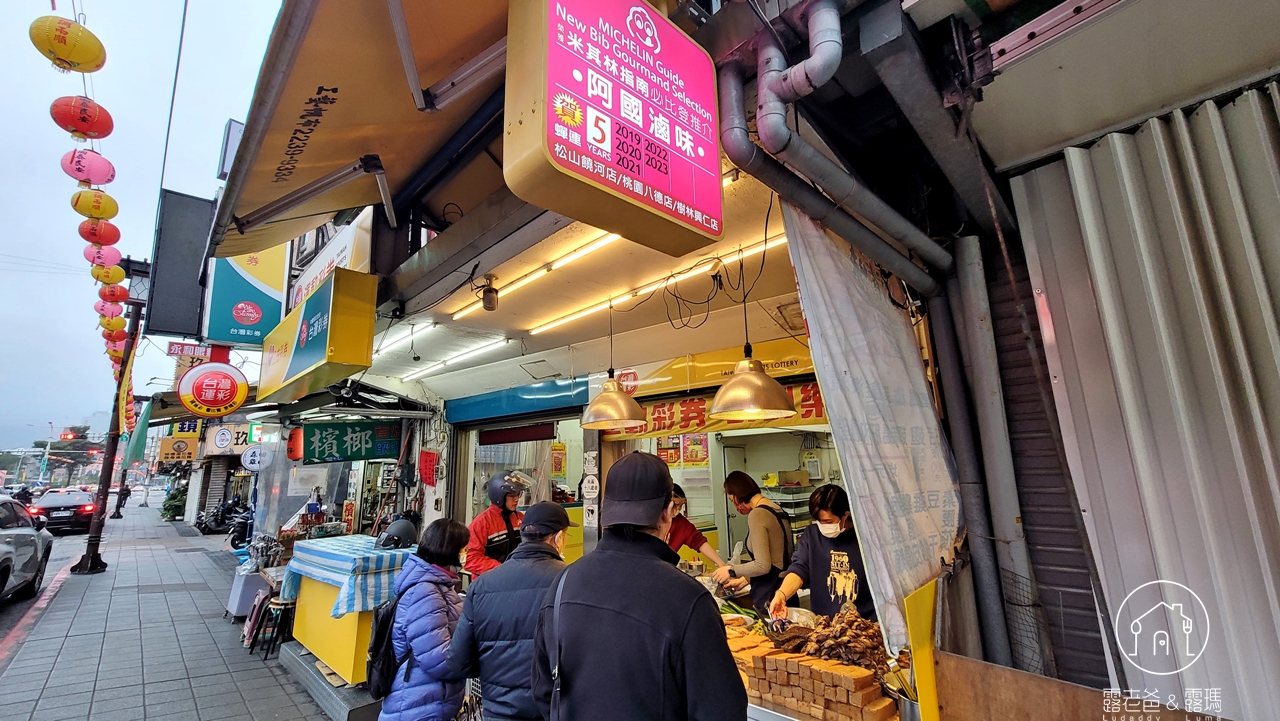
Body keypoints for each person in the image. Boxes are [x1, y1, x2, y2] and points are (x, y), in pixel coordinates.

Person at [531, 451, 746, 721]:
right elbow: (722, 711)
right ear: (668, 513)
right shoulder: (689, 599)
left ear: (605, 515)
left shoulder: (562, 584)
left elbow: (542, 690)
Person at [444, 502, 575, 721]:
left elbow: (458, 662)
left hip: (498, 711)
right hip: (553, 709)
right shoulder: (572, 581)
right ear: (558, 538)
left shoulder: (482, 586)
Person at [379, 518, 471, 721]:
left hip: (429, 699)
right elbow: (438, 659)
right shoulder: (426, 591)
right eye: (464, 548)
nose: (466, 553)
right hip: (419, 703)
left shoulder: (439, 584)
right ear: (449, 549)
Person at [768, 485, 877, 621]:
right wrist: (781, 595)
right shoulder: (811, 536)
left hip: (864, 625)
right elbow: (799, 569)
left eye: (828, 521)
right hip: (824, 626)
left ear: (845, 515)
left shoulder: (866, 538)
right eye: (819, 521)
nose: (822, 526)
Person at [710, 471, 794, 617]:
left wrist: (730, 570)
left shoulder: (757, 514)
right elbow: (777, 557)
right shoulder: (776, 509)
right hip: (786, 590)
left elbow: (763, 565)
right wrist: (745, 579)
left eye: (732, 500)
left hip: (770, 596)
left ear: (737, 495)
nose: (735, 507)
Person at [465, 472, 526, 577]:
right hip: (490, 582)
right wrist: (502, 569)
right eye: (511, 495)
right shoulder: (482, 523)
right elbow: (470, 558)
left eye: (518, 494)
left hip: (517, 577)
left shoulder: (521, 518)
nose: (516, 499)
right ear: (499, 496)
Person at [667, 484, 726, 568]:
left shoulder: (681, 524)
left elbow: (699, 542)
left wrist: (722, 564)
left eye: (681, 506)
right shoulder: (650, 521)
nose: (678, 509)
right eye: (676, 504)